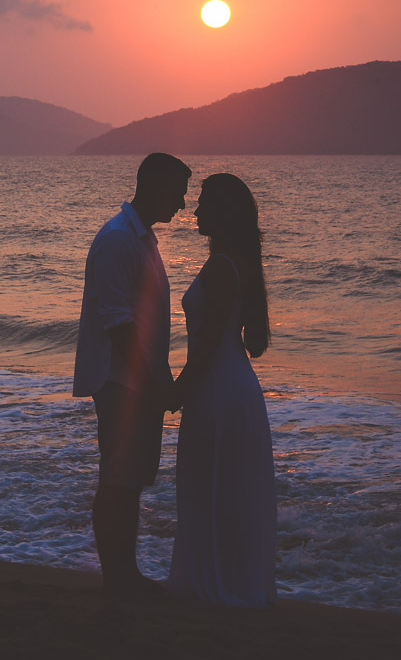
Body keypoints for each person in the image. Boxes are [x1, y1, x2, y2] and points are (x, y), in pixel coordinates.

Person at [73, 152, 191, 597]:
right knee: (119, 479)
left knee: (130, 479)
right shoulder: (119, 239)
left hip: (136, 381)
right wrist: (153, 381)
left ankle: (125, 572)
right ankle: (117, 577)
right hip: (123, 383)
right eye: (177, 193)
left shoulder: (140, 239)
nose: (181, 205)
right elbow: (119, 325)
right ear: (155, 186)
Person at [166, 172, 278, 608]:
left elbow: (210, 342)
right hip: (234, 386)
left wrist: (177, 390)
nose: (195, 210)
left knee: (211, 485)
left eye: (204, 202)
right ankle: (228, 578)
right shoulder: (239, 262)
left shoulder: (219, 267)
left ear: (223, 211)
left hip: (217, 390)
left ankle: (215, 584)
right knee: (226, 487)